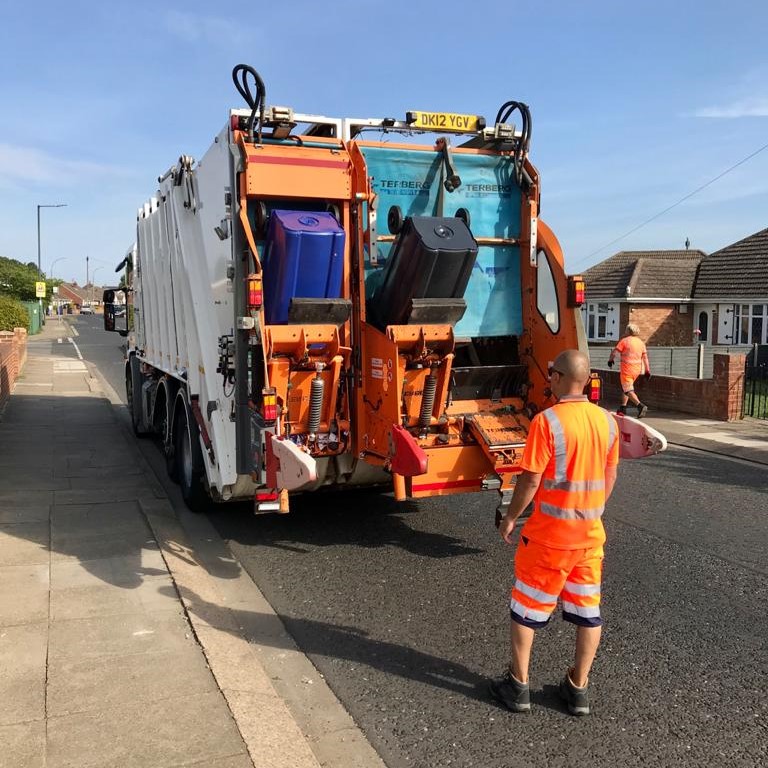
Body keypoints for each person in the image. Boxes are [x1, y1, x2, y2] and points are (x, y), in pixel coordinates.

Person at [489, 350, 619, 716]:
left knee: (525, 609)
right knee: (588, 612)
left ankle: (518, 686)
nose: (548, 378)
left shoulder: (548, 422)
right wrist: (589, 508)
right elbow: (610, 476)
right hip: (590, 537)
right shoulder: (608, 422)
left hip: (549, 538)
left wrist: (512, 516)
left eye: (551, 373)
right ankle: (578, 690)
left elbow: (531, 479)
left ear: (562, 378)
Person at [607, 323, 651, 418]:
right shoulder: (641, 343)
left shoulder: (624, 341)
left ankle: (640, 406)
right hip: (637, 370)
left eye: (626, 329)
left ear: (628, 331)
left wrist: (610, 361)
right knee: (626, 388)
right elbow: (645, 358)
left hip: (627, 369)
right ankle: (623, 408)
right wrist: (647, 371)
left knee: (628, 390)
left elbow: (614, 352)